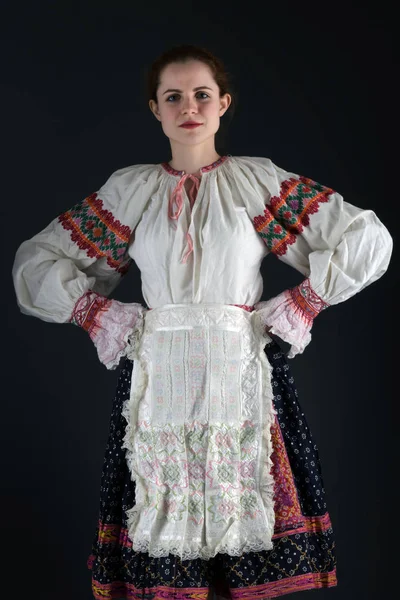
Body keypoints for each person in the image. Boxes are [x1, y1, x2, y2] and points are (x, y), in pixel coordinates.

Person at [12, 43, 393, 600]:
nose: (188, 106)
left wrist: (307, 300)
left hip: (240, 377)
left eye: (200, 94)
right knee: (165, 559)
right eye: (173, 96)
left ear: (222, 104)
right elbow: (36, 263)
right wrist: (92, 311)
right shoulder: (133, 191)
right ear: (156, 110)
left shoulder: (255, 184)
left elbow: (366, 238)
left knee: (243, 546)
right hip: (159, 384)